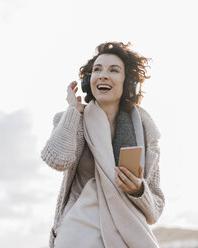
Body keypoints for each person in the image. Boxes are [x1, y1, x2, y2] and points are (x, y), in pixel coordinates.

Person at [41, 42, 165, 248]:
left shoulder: (145, 132)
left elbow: (156, 209)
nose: (103, 75)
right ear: (88, 81)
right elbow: (56, 159)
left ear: (128, 82)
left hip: (127, 237)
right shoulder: (71, 119)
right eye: (97, 70)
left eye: (113, 70)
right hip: (77, 235)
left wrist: (138, 190)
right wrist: (73, 110)